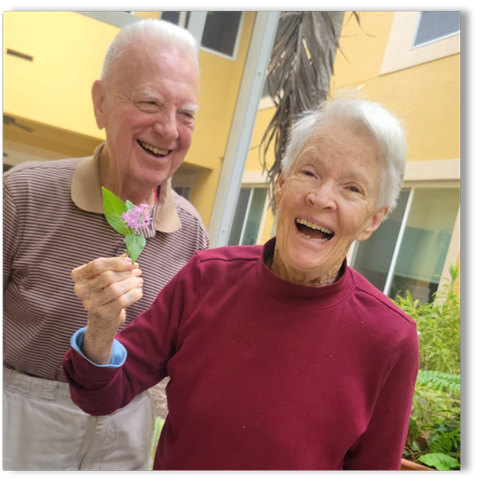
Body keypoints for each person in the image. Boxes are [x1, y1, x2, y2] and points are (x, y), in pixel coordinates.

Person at [64, 94, 419, 470]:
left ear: (373, 220)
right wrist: (102, 324)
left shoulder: (390, 339)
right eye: (310, 173)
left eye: (352, 188)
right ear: (281, 186)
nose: (321, 198)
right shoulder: (207, 277)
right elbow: (101, 395)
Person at [3, 20, 208, 470]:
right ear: (100, 103)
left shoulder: (191, 231)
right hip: (21, 412)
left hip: (125, 421)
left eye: (187, 113)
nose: (170, 130)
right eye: (150, 102)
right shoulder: (20, 195)